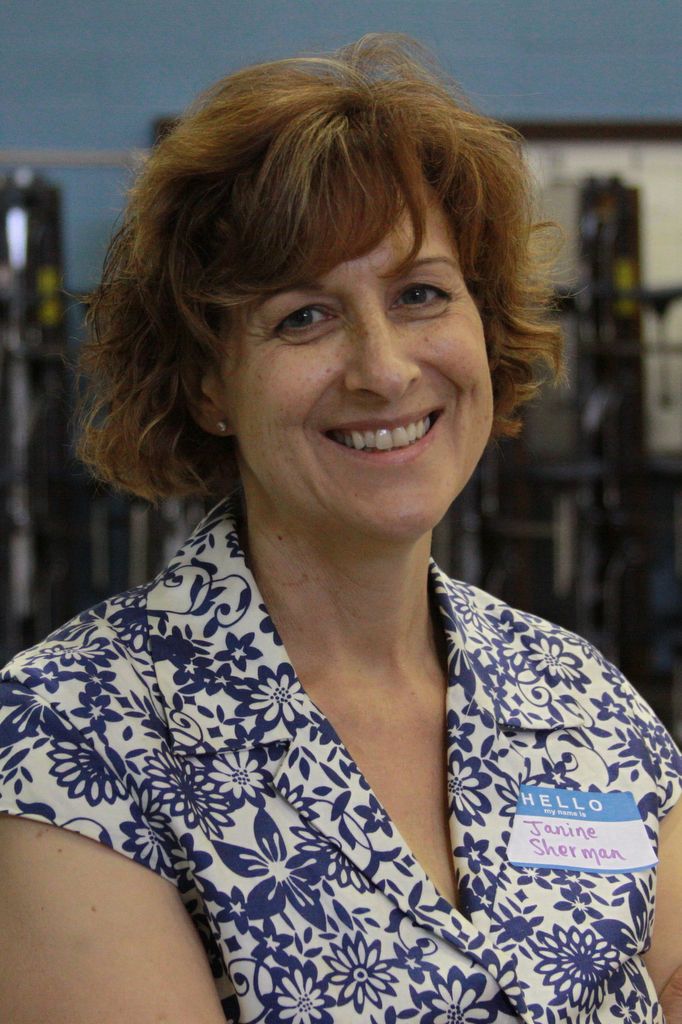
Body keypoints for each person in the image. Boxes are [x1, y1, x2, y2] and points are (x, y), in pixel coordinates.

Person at [0, 34, 681, 1024]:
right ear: (209, 384)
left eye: (420, 295)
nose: (385, 368)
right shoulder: (71, 735)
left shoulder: (581, 700)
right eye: (304, 317)